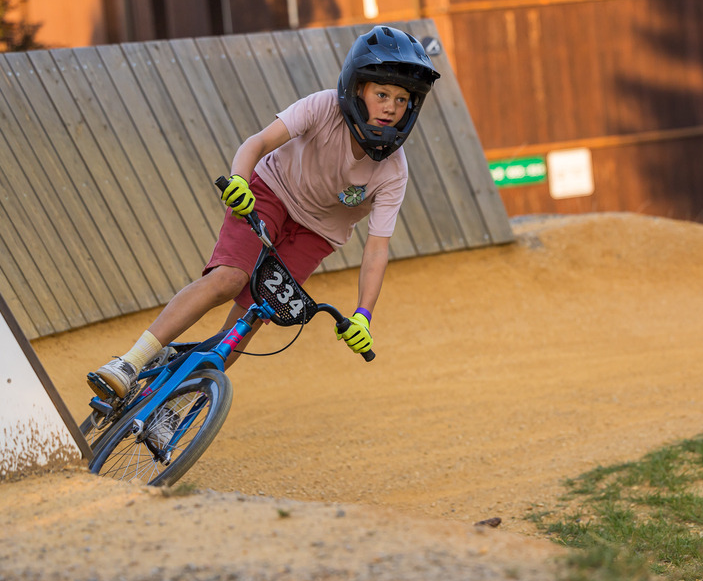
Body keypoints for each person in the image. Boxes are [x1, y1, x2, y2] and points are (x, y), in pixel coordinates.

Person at [89, 25, 441, 400]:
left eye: (402, 99)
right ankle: (129, 362)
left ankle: (165, 405)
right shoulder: (323, 107)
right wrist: (239, 181)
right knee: (229, 279)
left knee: (252, 316)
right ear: (358, 89)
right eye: (382, 93)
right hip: (270, 192)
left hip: (317, 234)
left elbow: (376, 248)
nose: (391, 106)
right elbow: (257, 143)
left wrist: (363, 315)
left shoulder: (393, 170)